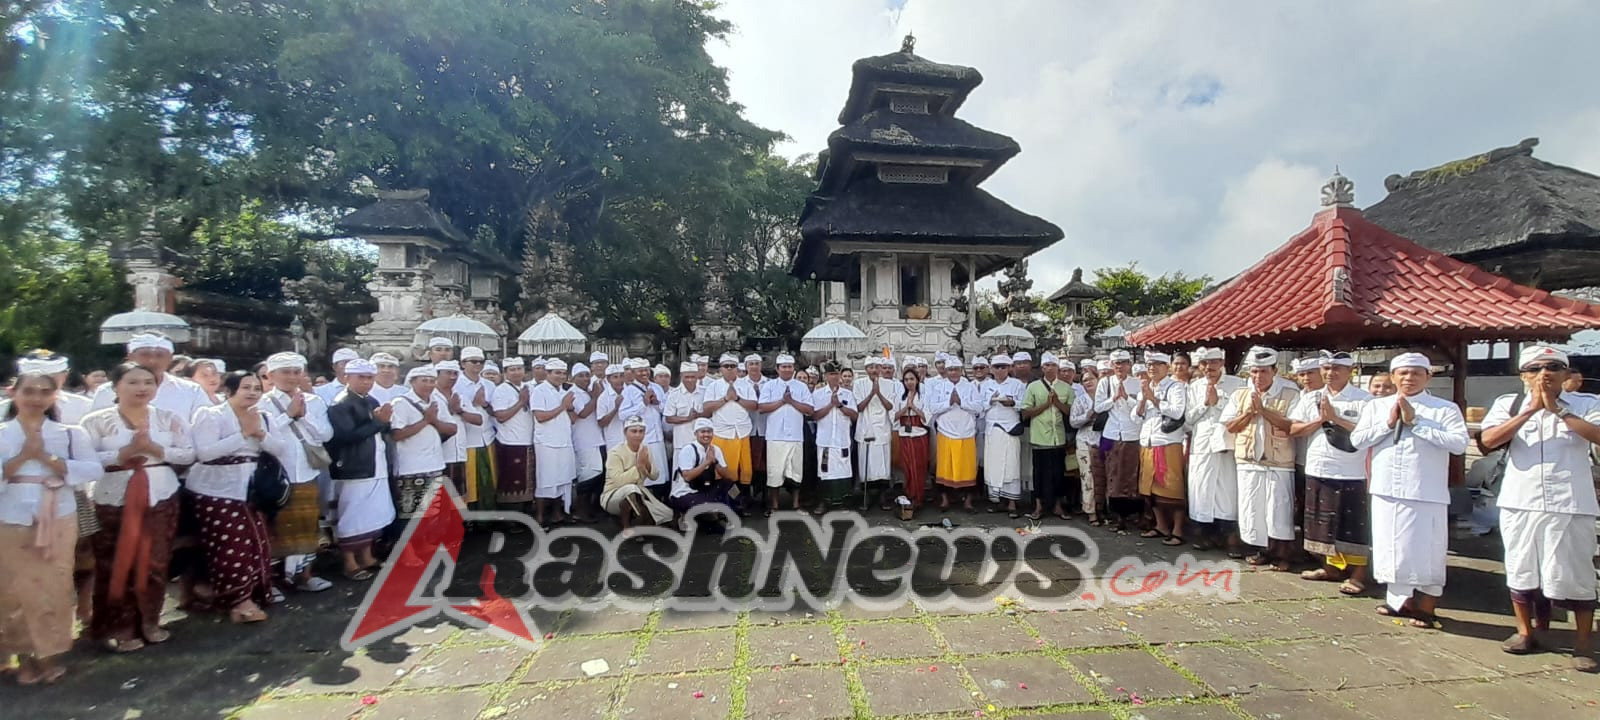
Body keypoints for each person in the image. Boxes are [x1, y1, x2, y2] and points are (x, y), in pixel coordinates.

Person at [1479, 345, 1599, 670]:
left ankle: (1583, 644)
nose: (1544, 374)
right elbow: (1488, 441)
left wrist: (1558, 411)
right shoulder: (1509, 404)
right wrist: (1530, 410)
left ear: (1566, 374)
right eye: (1534, 369)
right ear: (1523, 376)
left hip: (1570, 502)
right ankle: (1524, 631)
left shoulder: (1588, 403)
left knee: (1576, 573)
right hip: (1521, 500)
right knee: (1520, 566)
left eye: (1552, 367)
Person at [80, 362, 197, 652]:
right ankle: (118, 627)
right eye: (133, 382)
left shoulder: (168, 418)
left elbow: (188, 453)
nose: (142, 388)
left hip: (160, 493)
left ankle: (150, 621)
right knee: (115, 562)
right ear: (115, 386)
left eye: (148, 382)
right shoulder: (95, 421)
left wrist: (154, 449)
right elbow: (84, 460)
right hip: (113, 495)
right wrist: (126, 453)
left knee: (155, 561)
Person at [1352, 352, 1469, 628]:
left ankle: (1426, 607)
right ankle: (1398, 601)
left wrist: (1417, 423)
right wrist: (1388, 424)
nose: (1409, 378)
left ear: (1428, 377)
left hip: (1424, 492)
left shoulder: (1444, 409)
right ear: (1393, 377)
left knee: (1427, 551)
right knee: (1391, 548)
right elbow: (1358, 440)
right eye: (1403, 373)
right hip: (1386, 489)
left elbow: (1459, 444)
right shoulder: (1376, 407)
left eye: (1416, 373)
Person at [0, 371, 100, 682]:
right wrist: (23, 457)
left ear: (54, 396)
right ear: (14, 393)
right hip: (10, 515)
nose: (36, 398)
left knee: (54, 586)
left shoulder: (70, 433)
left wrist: (48, 458)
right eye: (29, 391)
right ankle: (24, 655)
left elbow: (92, 469)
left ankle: (50, 653)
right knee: (14, 588)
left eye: (45, 391)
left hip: (59, 513)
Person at [188, 370, 292, 622]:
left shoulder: (264, 417)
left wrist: (259, 434)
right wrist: (243, 434)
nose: (252, 393)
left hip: (251, 490)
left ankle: (254, 594)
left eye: (257, 388)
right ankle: (237, 602)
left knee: (255, 543)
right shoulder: (210, 414)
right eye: (246, 387)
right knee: (230, 547)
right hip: (215, 490)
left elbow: (280, 448)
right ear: (229, 390)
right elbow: (205, 453)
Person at [1290, 350, 1373, 594]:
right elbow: (1294, 428)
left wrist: (1335, 418)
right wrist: (1319, 420)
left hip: (1351, 471)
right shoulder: (1311, 397)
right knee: (1321, 523)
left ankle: (1358, 575)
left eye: (1337, 368)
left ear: (1350, 371)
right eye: (1326, 368)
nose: (1330, 373)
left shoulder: (1364, 399)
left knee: (1353, 526)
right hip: (1318, 466)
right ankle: (1330, 568)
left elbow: (1369, 434)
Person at [255, 352, 334, 593]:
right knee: (275, 529)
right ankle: (272, 582)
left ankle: (305, 576)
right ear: (271, 375)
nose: (291, 377)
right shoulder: (262, 402)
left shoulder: (314, 401)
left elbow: (326, 434)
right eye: (285, 372)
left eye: (296, 372)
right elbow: (260, 437)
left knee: (306, 526)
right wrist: (287, 415)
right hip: (276, 476)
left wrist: (303, 416)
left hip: (307, 473)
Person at [1219, 347, 1299, 571]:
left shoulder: (1290, 393)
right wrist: (1249, 412)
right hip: (1249, 459)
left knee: (1278, 509)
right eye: (1254, 371)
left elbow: (1292, 426)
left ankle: (1282, 554)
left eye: (1263, 371)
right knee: (1252, 509)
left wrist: (1264, 411)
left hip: (1279, 460)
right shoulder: (1240, 394)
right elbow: (1230, 426)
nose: (1258, 376)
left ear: (1274, 371)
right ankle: (1260, 550)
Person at [325, 360, 395, 580]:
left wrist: (384, 421)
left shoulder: (371, 400)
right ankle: (349, 562)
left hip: (375, 464)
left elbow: (381, 428)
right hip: (354, 467)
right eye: (361, 377)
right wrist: (378, 422)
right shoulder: (341, 403)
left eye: (369, 377)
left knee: (371, 514)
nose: (366, 382)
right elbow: (345, 436)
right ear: (347, 378)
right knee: (353, 515)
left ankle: (367, 556)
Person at [1186, 348, 1245, 552]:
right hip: (1202, 444)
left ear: (1221, 362)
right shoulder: (1195, 386)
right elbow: (1188, 419)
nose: (1208, 367)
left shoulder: (1237, 384)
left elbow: (1241, 414)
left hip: (1226, 443)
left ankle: (1229, 535)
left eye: (1213, 362)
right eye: (1204, 363)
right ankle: (1204, 533)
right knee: (1201, 488)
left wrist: (1218, 403)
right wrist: (1205, 404)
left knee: (1227, 488)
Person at [388, 367, 456, 527]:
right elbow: (396, 434)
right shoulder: (400, 403)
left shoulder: (436, 401)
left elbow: (453, 428)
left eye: (432, 381)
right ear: (412, 382)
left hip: (435, 465)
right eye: (424, 380)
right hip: (410, 469)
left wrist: (434, 421)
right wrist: (425, 421)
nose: (428, 384)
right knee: (410, 516)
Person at [1136, 352, 1189, 545]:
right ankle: (1161, 525)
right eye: (1150, 364)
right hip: (1148, 442)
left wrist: (1154, 400)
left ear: (1167, 367)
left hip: (1167, 443)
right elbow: (1136, 416)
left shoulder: (1175, 387)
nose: (1153, 368)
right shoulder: (1147, 387)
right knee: (1150, 488)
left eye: (1158, 364)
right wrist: (1144, 399)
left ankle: (1178, 530)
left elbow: (1177, 412)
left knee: (1172, 489)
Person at [1095, 350, 1143, 532]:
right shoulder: (1105, 383)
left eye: (1123, 362)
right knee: (1113, 475)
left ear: (1129, 364)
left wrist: (1127, 398)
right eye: (1117, 363)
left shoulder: (1137, 383)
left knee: (1131, 475)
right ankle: (1116, 516)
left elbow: (1142, 408)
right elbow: (1098, 407)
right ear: (1112, 365)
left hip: (1132, 434)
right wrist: (1113, 398)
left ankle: (1133, 514)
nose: (1120, 366)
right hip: (1111, 434)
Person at [758, 355, 813, 514]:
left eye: (789, 366)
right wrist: (782, 401)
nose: (787, 369)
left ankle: (796, 505)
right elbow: (762, 408)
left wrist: (792, 402)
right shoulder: (769, 386)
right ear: (777, 369)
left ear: (793, 368)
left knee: (796, 472)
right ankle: (774, 506)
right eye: (783, 366)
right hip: (775, 436)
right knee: (774, 472)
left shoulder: (801, 387)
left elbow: (809, 410)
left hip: (795, 435)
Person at [929, 356, 984, 512]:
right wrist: (948, 403)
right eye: (950, 370)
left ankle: (968, 501)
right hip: (945, 432)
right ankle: (945, 500)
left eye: (956, 369)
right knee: (945, 468)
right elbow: (932, 408)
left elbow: (979, 407)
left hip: (966, 432)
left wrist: (961, 402)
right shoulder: (939, 387)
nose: (953, 372)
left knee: (967, 468)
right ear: (946, 371)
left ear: (961, 370)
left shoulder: (970, 386)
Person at [1022, 352, 1073, 521]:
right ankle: (1038, 506)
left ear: (1058, 368)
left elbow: (1070, 412)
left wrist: (1057, 402)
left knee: (1059, 473)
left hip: (1058, 438)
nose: (1050, 368)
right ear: (1042, 368)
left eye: (1053, 365)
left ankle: (1058, 506)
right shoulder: (1033, 387)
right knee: (1039, 473)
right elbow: (1025, 412)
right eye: (1046, 365)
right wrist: (1046, 405)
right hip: (1039, 437)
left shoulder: (1066, 388)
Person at [601, 416, 672, 532]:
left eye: (641, 431)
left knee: (667, 515)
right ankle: (627, 526)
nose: (638, 435)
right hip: (613, 496)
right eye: (633, 431)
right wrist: (638, 466)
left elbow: (654, 476)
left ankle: (638, 521)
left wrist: (646, 464)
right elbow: (618, 481)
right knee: (631, 489)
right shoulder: (615, 452)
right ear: (625, 433)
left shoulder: (645, 450)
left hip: (639, 493)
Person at [529, 359, 578, 526]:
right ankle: (540, 517)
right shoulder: (539, 391)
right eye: (557, 373)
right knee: (545, 480)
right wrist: (563, 406)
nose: (561, 376)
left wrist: (569, 408)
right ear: (547, 373)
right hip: (546, 443)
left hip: (564, 441)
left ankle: (558, 514)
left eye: (563, 373)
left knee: (563, 478)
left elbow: (573, 419)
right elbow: (540, 417)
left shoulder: (564, 391)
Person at [702, 354, 758, 493]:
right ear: (721, 369)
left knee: (745, 470)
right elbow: (707, 408)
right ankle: (724, 500)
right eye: (726, 366)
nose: (729, 369)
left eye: (732, 366)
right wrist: (726, 399)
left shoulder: (746, 385)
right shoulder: (713, 386)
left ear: (737, 368)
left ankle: (742, 500)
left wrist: (737, 398)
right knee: (723, 469)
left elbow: (754, 406)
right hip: (722, 434)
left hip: (742, 432)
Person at [981, 354, 1026, 517]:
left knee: (1010, 465)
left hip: (1009, 428)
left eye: (1003, 367)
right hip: (992, 429)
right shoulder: (987, 385)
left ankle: (1012, 502)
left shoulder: (1017, 384)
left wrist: (1012, 403)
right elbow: (979, 406)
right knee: (993, 466)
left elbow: (1025, 404)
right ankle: (996, 500)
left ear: (1009, 368)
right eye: (997, 367)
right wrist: (991, 400)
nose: (1000, 370)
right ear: (991, 369)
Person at [453, 348, 497, 511]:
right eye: (473, 361)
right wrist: (474, 402)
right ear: (463, 363)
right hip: (468, 439)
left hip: (488, 438)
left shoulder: (489, 385)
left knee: (489, 480)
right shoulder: (455, 385)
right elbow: (454, 410)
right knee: (470, 481)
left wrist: (484, 404)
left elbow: (494, 411)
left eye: (481, 361)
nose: (477, 365)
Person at [669, 419, 735, 527]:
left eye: (709, 431)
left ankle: (727, 511)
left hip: (705, 489)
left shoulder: (715, 449)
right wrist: (707, 462)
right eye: (703, 432)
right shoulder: (688, 450)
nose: (706, 435)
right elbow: (687, 477)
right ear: (696, 433)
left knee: (731, 486)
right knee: (707, 508)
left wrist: (715, 462)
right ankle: (684, 515)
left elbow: (728, 476)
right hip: (685, 493)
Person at [811, 362, 858, 513]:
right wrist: (831, 405)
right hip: (825, 440)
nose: (835, 377)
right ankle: (824, 502)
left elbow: (854, 415)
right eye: (832, 374)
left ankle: (842, 502)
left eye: (837, 374)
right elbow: (814, 416)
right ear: (825, 376)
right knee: (825, 472)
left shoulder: (848, 394)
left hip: (842, 439)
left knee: (843, 471)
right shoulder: (818, 394)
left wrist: (840, 406)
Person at [491, 357, 535, 510]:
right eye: (512, 369)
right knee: (512, 482)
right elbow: (500, 416)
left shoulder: (528, 387)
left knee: (527, 482)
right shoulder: (501, 390)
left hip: (528, 440)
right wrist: (521, 402)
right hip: (510, 442)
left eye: (519, 369)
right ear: (505, 372)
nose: (516, 372)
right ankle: (511, 516)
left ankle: (525, 514)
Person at [855, 357, 897, 510]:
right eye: (870, 367)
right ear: (866, 369)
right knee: (866, 464)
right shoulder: (859, 384)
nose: (874, 370)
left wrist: (878, 393)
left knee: (882, 465)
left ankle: (882, 496)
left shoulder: (889, 384)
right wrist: (871, 393)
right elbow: (859, 407)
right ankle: (866, 495)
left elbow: (889, 406)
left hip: (882, 429)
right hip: (865, 427)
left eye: (876, 367)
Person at [568, 363, 605, 523]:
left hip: (594, 438)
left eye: (587, 375)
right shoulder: (573, 393)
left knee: (595, 474)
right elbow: (582, 413)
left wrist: (594, 396)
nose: (585, 378)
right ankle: (579, 511)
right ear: (572, 378)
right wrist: (596, 397)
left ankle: (587, 508)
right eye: (580, 376)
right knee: (588, 475)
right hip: (583, 440)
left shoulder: (587, 392)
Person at [1072, 360, 1105, 525]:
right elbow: (1073, 422)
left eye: (1091, 378)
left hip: (1103, 440)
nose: (1089, 382)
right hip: (1085, 440)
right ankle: (1091, 511)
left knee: (1103, 476)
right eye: (1085, 380)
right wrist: (1087, 416)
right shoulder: (1080, 400)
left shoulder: (1105, 398)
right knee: (1088, 477)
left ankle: (1103, 508)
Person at [895, 367, 931, 513]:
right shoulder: (900, 397)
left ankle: (918, 497)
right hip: (905, 434)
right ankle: (909, 494)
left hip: (919, 434)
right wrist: (906, 408)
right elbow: (894, 416)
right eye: (906, 380)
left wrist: (914, 407)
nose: (909, 382)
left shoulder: (923, 396)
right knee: (907, 466)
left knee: (918, 466)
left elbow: (927, 417)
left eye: (911, 379)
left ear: (917, 380)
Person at [665, 361, 706, 468]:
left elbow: (710, 413)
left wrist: (699, 415)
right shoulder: (674, 394)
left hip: (702, 441)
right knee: (680, 471)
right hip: (681, 441)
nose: (690, 380)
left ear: (697, 376)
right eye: (687, 377)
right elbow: (668, 418)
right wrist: (687, 418)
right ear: (681, 376)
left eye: (693, 377)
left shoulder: (705, 392)